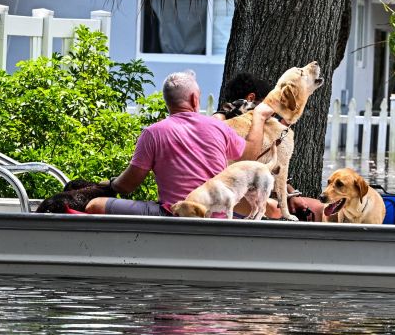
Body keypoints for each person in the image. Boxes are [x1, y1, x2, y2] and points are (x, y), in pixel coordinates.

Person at [86, 70, 272, 216]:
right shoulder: (217, 127)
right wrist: (259, 117)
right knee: (270, 208)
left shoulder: (152, 133)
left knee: (94, 205)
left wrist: (109, 184)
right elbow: (250, 155)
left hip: (174, 214)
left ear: (167, 101)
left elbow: (127, 186)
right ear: (194, 99)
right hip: (217, 214)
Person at [212, 72, 326, 222]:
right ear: (251, 99)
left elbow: (271, 168)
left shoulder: (259, 125)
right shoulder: (222, 122)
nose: (270, 111)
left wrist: (291, 193)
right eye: (264, 103)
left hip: (256, 189)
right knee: (272, 209)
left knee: (318, 208)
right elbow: (247, 161)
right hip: (229, 192)